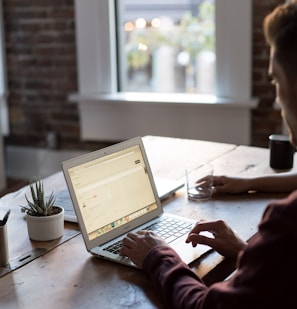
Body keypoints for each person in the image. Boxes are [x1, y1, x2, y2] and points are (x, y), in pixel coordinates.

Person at [120, 2, 297, 308]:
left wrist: (158, 256)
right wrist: (247, 253)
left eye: (276, 80)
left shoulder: (287, 223)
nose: (276, 103)